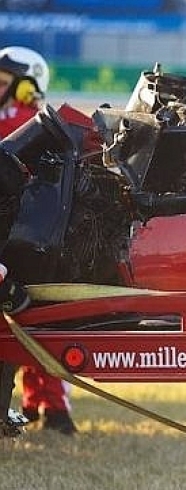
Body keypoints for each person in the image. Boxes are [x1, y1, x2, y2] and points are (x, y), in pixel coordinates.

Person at [0, 45, 77, 435]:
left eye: (3, 82)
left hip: (21, 241)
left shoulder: (28, 123)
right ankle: (41, 406)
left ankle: (52, 408)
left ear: (27, 87)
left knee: (32, 328)